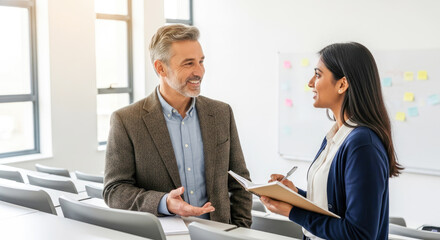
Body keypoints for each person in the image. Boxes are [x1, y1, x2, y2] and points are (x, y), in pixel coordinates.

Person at [103, 24, 252, 227]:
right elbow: (114, 190)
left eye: (201, 61)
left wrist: (241, 230)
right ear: (160, 68)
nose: (199, 72)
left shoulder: (220, 113)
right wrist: (165, 203)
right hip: (162, 233)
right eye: (188, 63)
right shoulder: (127, 120)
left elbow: (240, 181)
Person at [260, 42, 403, 239]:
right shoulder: (336, 136)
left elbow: (358, 234)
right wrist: (295, 195)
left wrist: (292, 212)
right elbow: (332, 208)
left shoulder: (363, 144)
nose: (311, 83)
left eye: (318, 75)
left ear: (342, 84)